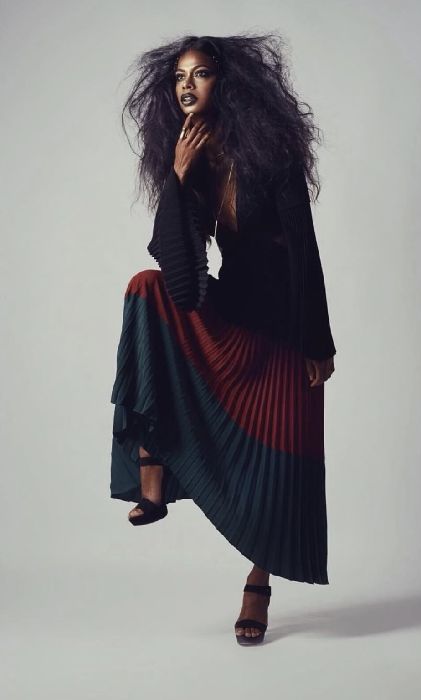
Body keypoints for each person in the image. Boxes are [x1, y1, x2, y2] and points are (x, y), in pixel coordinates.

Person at [109, 33, 337, 645]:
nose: (187, 85)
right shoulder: (192, 159)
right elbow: (182, 282)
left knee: (280, 461)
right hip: (230, 313)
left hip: (284, 326)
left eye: (201, 73)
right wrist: (178, 179)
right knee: (146, 286)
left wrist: (318, 341)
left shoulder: (273, 152)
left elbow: (305, 252)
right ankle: (151, 462)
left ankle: (258, 582)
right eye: (179, 76)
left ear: (226, 83)